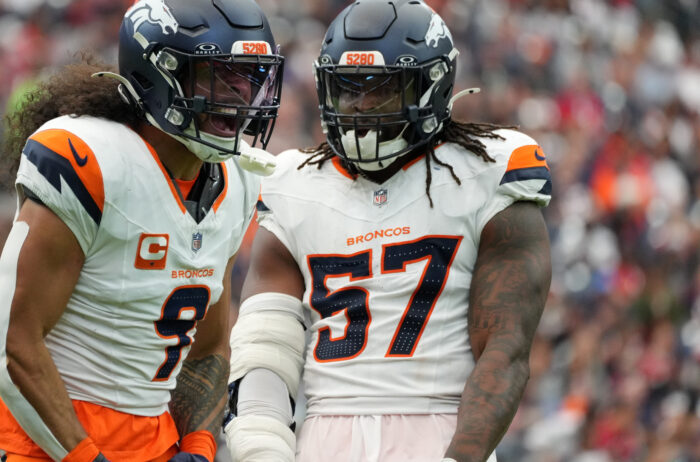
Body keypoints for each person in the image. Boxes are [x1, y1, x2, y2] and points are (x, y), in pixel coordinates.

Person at [223, 1, 552, 461]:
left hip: (441, 428)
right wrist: (261, 449)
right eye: (347, 88)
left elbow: (505, 350)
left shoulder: (487, 169)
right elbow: (264, 354)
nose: (360, 106)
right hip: (321, 435)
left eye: (382, 89)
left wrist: (461, 457)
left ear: (432, 87)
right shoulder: (293, 184)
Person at [0, 0, 283, 461]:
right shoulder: (91, 162)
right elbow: (10, 348)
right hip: (42, 443)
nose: (240, 97)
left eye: (249, 77)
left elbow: (207, 349)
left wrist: (201, 445)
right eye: (218, 75)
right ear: (160, 75)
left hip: (153, 444)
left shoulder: (240, 179)